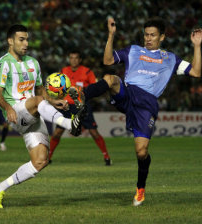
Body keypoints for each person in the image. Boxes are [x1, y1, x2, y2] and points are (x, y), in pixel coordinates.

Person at [74, 17, 202, 206]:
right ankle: (81, 96)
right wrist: (111, 35)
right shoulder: (133, 50)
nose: (148, 38)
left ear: (162, 37)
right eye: (146, 35)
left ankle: (140, 189)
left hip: (147, 104)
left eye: (153, 35)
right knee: (111, 78)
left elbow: (197, 72)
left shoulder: (170, 58)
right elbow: (108, 60)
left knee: (141, 152)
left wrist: (197, 46)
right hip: (128, 92)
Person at [0, 24, 85, 209]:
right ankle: (69, 124)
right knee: (36, 101)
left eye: (27, 39)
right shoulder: (4, 63)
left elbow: (41, 90)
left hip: (33, 112)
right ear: (10, 41)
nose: (26, 43)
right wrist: (8, 108)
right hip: (17, 113)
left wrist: (53, 101)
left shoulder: (33, 63)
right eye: (21, 39)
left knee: (40, 161)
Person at [49, 50, 111, 165]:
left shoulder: (87, 72)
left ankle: (106, 157)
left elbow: (95, 88)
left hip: (82, 105)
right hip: (66, 106)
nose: (73, 60)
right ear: (69, 59)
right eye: (71, 58)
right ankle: (48, 157)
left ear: (80, 60)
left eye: (76, 58)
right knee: (57, 133)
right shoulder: (63, 71)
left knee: (93, 132)